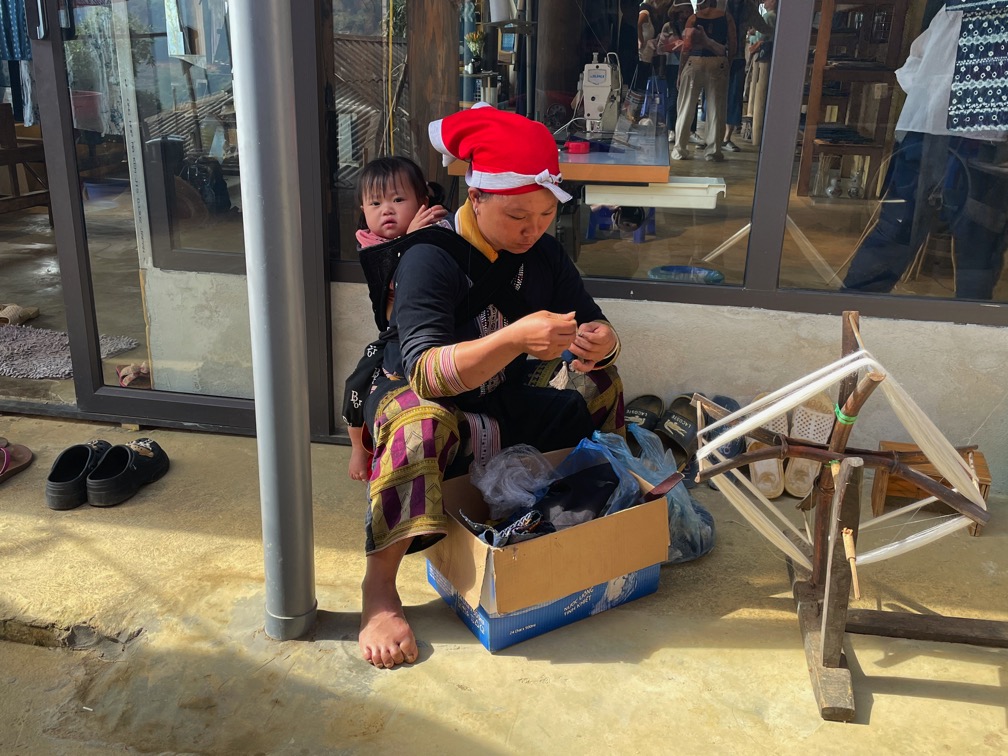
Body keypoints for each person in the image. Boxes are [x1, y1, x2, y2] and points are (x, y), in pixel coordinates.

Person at [358, 104, 626, 669]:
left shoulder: (544, 252)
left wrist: (601, 342)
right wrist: (515, 339)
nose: (533, 229)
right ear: (476, 197)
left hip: (499, 399)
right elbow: (426, 372)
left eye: (547, 214)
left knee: (599, 380)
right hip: (434, 404)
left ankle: (601, 513)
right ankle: (379, 586)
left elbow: (590, 318)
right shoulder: (428, 257)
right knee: (420, 423)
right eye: (517, 214)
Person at [841, 3, 1008, 300]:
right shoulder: (953, 8)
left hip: (975, 139)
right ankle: (854, 307)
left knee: (976, 242)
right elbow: (915, 61)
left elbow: (915, 62)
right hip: (942, 133)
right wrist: (929, 95)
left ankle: (968, 323)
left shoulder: (960, 9)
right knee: (902, 228)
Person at [342, 156, 451, 482]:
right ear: (363, 209)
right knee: (357, 383)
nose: (386, 210)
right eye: (375, 203)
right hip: (394, 336)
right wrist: (411, 239)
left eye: (399, 200)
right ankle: (358, 448)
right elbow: (393, 275)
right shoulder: (371, 246)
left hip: (436, 333)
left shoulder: (438, 229)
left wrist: (419, 234)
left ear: (422, 202)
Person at [670, 0, 736, 162]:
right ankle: (713, 152)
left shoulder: (693, 18)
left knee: (686, 106)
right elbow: (733, 44)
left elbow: (686, 47)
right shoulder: (726, 17)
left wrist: (680, 71)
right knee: (716, 108)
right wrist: (728, 63)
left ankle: (680, 149)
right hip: (717, 61)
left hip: (694, 61)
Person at [722, 1, 773, 151]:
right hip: (720, 55)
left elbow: (763, 27)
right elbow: (764, 28)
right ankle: (717, 137)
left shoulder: (747, 6)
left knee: (733, 97)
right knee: (718, 97)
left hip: (732, 56)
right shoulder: (722, 3)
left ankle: (725, 138)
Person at [744, 0, 776, 148]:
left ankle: (757, 136)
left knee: (759, 92)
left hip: (763, 57)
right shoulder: (773, 16)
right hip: (766, 55)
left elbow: (761, 37)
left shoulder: (769, 16)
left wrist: (752, 36)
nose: (764, 2)